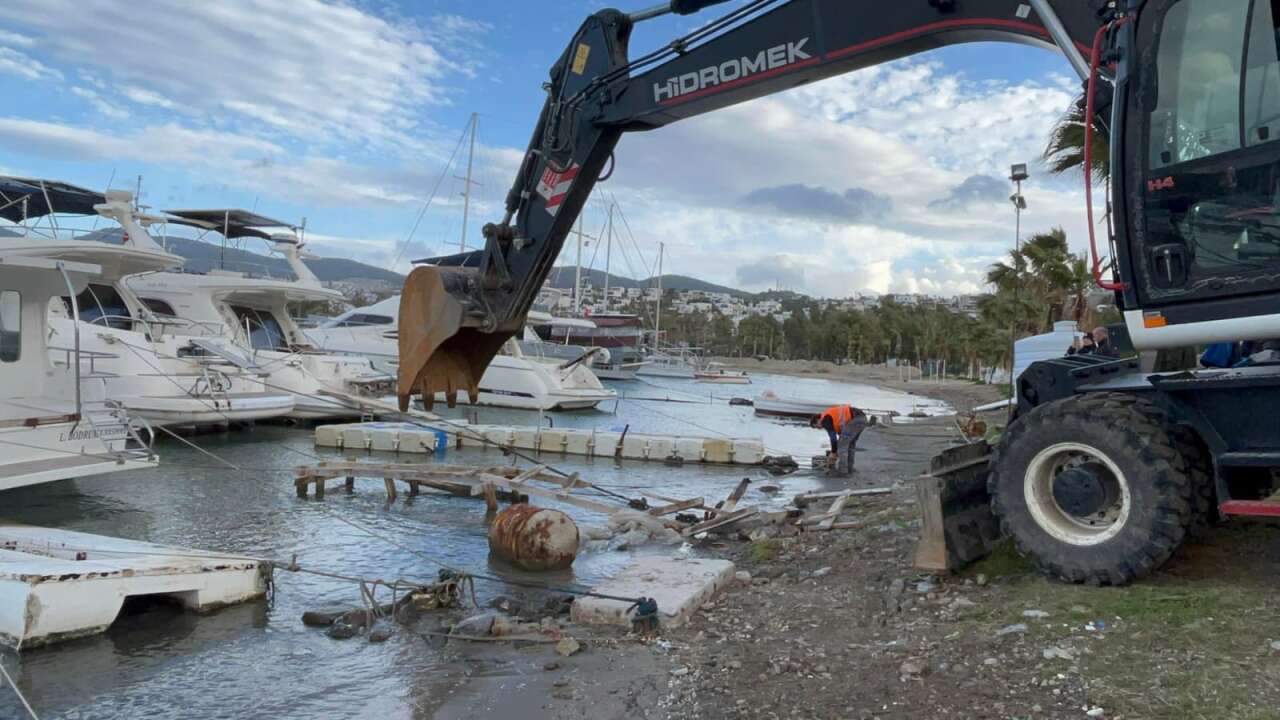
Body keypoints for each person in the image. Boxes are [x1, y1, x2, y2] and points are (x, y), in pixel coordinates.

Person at [810, 404, 869, 475]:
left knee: (842, 446)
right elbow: (840, 433)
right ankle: (850, 469)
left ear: (817, 420)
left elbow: (833, 438)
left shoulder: (825, 420)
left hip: (855, 419)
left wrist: (833, 452)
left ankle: (842, 471)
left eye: (817, 426)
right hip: (862, 419)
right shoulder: (829, 416)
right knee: (850, 445)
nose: (819, 428)